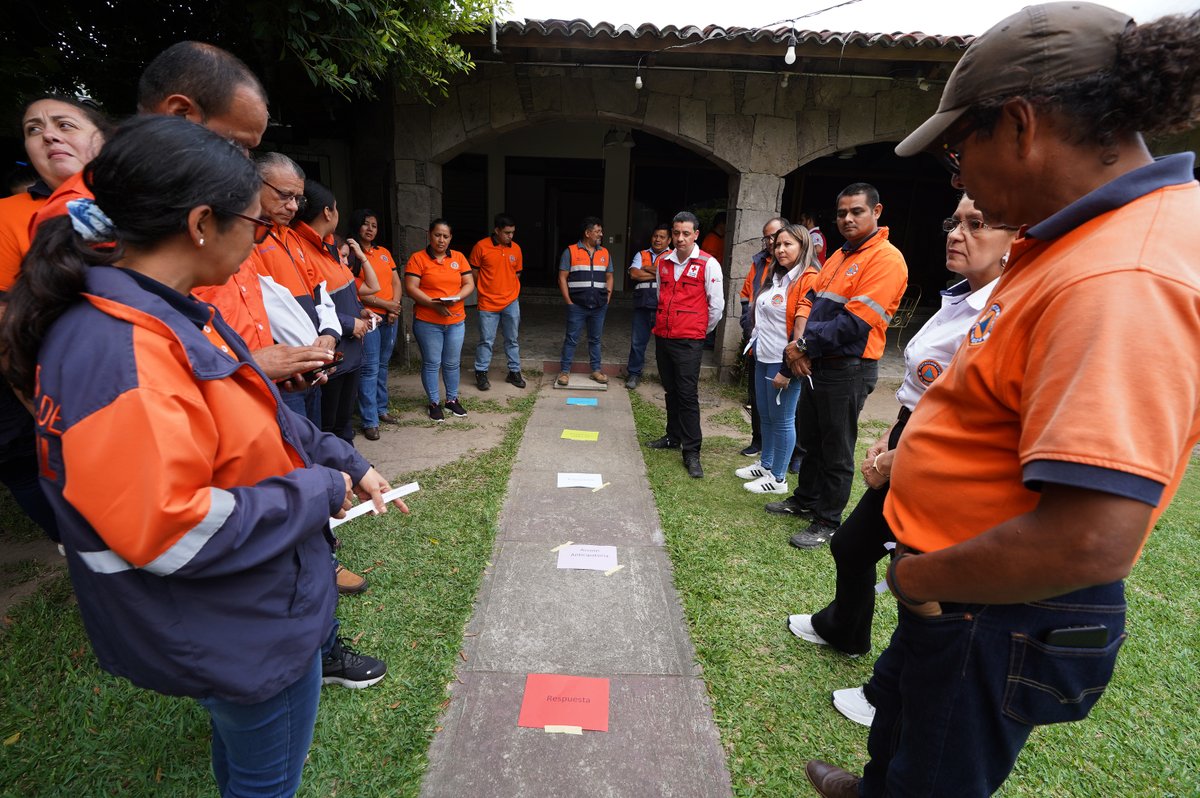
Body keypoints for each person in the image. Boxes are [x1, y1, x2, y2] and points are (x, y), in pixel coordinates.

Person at [802, 5, 1200, 797]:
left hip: (993, 607)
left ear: (1019, 125)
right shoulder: (1076, 240)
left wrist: (919, 582)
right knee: (907, 732)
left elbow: (1090, 538)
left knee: (940, 770)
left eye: (959, 155)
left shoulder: (1122, 276)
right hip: (961, 589)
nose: (961, 185)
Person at [0, 115, 408, 798]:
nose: (261, 239)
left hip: (247, 605)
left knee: (249, 765)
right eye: (257, 223)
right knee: (264, 782)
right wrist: (314, 492)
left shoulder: (172, 315)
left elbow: (261, 419)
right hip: (234, 622)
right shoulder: (120, 349)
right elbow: (173, 526)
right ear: (200, 224)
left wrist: (341, 456)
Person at [787, 195, 1013, 729]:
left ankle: (892, 693)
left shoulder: (1001, 310)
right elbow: (921, 385)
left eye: (976, 224)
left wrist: (902, 456)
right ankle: (844, 630)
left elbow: (966, 408)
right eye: (953, 221)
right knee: (856, 546)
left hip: (943, 454)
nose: (956, 234)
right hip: (913, 433)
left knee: (919, 581)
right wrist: (891, 433)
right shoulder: (960, 297)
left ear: (1015, 240)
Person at [769, 183, 908, 550]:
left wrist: (800, 346)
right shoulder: (839, 256)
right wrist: (803, 349)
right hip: (819, 363)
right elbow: (811, 301)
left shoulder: (886, 260)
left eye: (856, 212)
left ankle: (828, 520)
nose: (847, 219)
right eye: (842, 212)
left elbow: (853, 324)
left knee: (836, 447)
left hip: (849, 367)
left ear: (876, 212)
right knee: (812, 437)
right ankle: (805, 500)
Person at [0, 95, 110, 543]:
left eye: (65, 124)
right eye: (33, 129)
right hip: (70, 395)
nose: (48, 134)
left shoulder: (142, 200)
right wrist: (43, 412)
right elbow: (7, 329)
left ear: (100, 139)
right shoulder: (8, 216)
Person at [250, 153, 342, 425]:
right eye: (284, 196)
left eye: (297, 199)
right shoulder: (246, 241)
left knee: (311, 438)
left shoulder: (292, 238)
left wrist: (329, 333)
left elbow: (319, 290)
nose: (292, 207)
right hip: (282, 371)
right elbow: (270, 304)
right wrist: (310, 351)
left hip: (309, 366)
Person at [735, 223, 818, 495]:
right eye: (777, 244)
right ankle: (767, 464)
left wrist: (787, 367)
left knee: (783, 419)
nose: (780, 249)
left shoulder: (808, 278)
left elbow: (802, 327)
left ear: (803, 246)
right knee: (766, 416)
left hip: (784, 362)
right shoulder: (778, 276)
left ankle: (779, 478)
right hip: (763, 355)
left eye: (787, 244)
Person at [646, 211, 725, 478]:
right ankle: (672, 436)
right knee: (670, 390)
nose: (680, 238)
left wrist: (699, 331)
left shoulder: (708, 264)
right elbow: (660, 294)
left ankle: (692, 451)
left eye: (685, 234)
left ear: (696, 235)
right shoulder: (664, 262)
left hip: (689, 340)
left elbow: (716, 307)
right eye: (676, 233)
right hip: (664, 337)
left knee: (687, 395)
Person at [292, 180, 369, 444]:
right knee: (328, 425)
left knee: (345, 421)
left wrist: (363, 312)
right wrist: (350, 323)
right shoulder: (301, 250)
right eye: (336, 208)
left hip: (352, 354)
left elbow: (344, 292)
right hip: (332, 356)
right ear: (327, 212)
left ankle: (351, 467)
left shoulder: (329, 248)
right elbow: (311, 306)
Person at [406, 219, 474, 422]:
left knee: (452, 363)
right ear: (429, 234)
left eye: (445, 236)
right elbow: (411, 287)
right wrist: (432, 304)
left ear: (450, 238)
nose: (441, 240)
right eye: (437, 235)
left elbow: (469, 282)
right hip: (428, 321)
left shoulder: (459, 258)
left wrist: (459, 297)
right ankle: (434, 403)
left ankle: (452, 400)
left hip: (455, 320)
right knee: (432, 363)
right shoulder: (418, 259)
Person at [737, 216, 787, 457]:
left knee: (784, 404)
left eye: (774, 236)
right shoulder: (760, 262)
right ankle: (758, 441)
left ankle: (791, 454)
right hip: (757, 340)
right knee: (758, 397)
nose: (770, 241)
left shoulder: (797, 267)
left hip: (782, 346)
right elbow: (747, 295)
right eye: (766, 237)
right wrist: (747, 323)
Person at [349, 209, 401, 441]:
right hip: (368, 317)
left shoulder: (383, 253)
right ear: (357, 226)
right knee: (369, 368)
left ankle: (382, 409)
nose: (370, 229)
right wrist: (388, 305)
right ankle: (370, 420)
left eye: (374, 225)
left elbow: (395, 281)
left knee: (382, 365)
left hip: (390, 316)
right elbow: (359, 291)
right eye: (366, 224)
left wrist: (395, 307)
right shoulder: (351, 255)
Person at [471, 213, 526, 391]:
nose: (510, 236)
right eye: (507, 232)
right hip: (488, 302)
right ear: (496, 230)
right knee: (486, 340)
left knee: (512, 339)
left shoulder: (516, 249)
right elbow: (474, 270)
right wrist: (485, 288)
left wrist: (508, 288)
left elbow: (517, 273)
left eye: (512, 232)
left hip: (511, 301)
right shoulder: (481, 246)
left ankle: (514, 372)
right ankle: (481, 372)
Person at [556, 216, 612, 386]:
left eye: (601, 231)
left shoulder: (605, 253)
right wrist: (569, 302)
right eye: (597, 231)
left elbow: (609, 276)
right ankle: (564, 372)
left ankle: (596, 370)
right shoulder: (571, 251)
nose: (600, 234)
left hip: (599, 305)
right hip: (577, 306)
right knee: (571, 339)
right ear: (587, 233)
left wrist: (607, 298)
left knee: (595, 339)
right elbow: (562, 278)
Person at [624, 223, 669, 389]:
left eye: (662, 237)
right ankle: (634, 374)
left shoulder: (673, 256)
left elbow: (668, 276)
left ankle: (666, 377)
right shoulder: (641, 253)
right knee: (637, 342)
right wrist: (658, 272)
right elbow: (634, 274)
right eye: (655, 236)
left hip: (663, 307)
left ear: (669, 240)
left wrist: (649, 268)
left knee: (665, 345)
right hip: (642, 305)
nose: (657, 239)